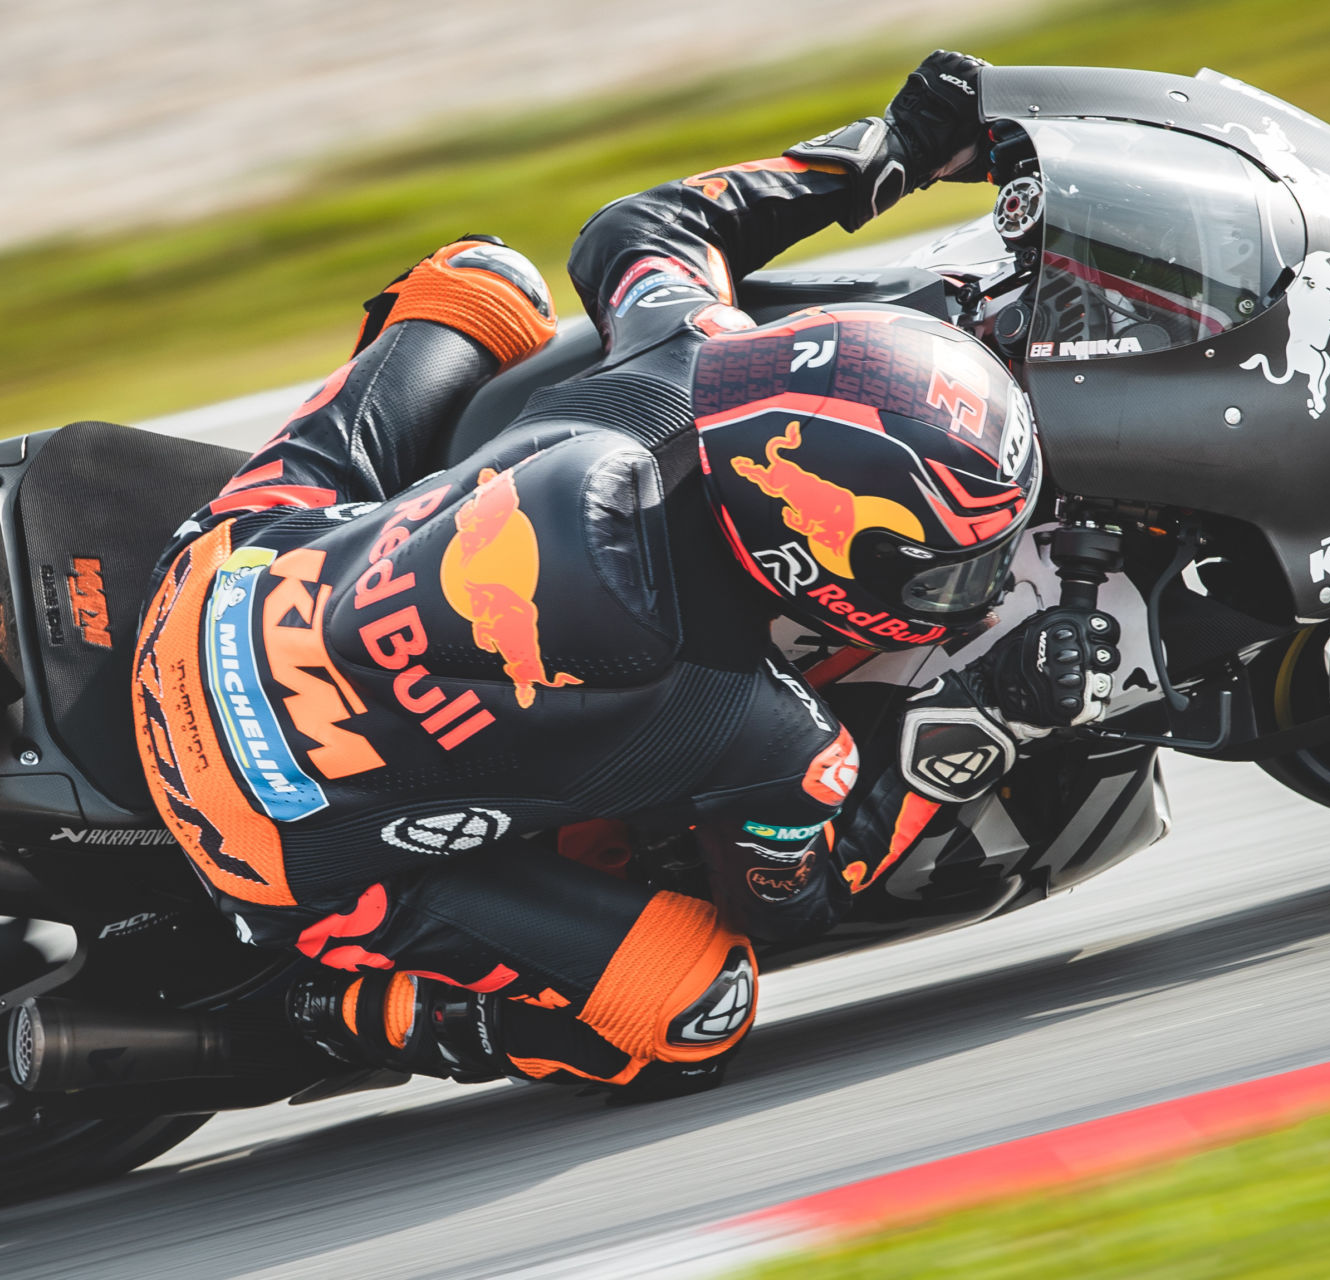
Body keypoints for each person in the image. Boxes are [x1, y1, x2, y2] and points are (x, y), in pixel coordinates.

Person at [131, 52, 1118, 1097]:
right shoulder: (764, 731)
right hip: (258, 839)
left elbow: (636, 227)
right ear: (806, 556)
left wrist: (895, 151)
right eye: (940, 577)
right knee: (701, 1006)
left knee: (484, 281)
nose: (964, 589)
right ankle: (333, 1008)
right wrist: (988, 714)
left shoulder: (682, 344)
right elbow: (791, 900)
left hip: (205, 582)